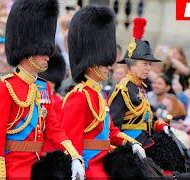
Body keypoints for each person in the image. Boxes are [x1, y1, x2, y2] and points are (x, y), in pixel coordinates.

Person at [0, 0, 84, 179]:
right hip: (11, 168)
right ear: (29, 51)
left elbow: (53, 129)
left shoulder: (43, 87)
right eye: (43, 51)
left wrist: (74, 156)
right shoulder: (4, 88)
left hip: (36, 165)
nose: (48, 55)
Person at [60, 6, 146, 178]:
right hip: (89, 165)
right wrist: (76, 162)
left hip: (105, 160)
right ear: (91, 64)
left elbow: (111, 131)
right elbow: (71, 138)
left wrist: (131, 143)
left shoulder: (100, 94)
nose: (109, 68)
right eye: (105, 64)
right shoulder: (78, 96)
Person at [109, 17, 185, 174]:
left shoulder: (140, 87)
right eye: (144, 64)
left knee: (177, 152)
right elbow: (114, 126)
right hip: (133, 143)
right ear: (131, 64)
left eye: (150, 64)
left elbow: (145, 117)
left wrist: (159, 124)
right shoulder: (123, 89)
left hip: (145, 137)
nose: (148, 68)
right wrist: (131, 143)